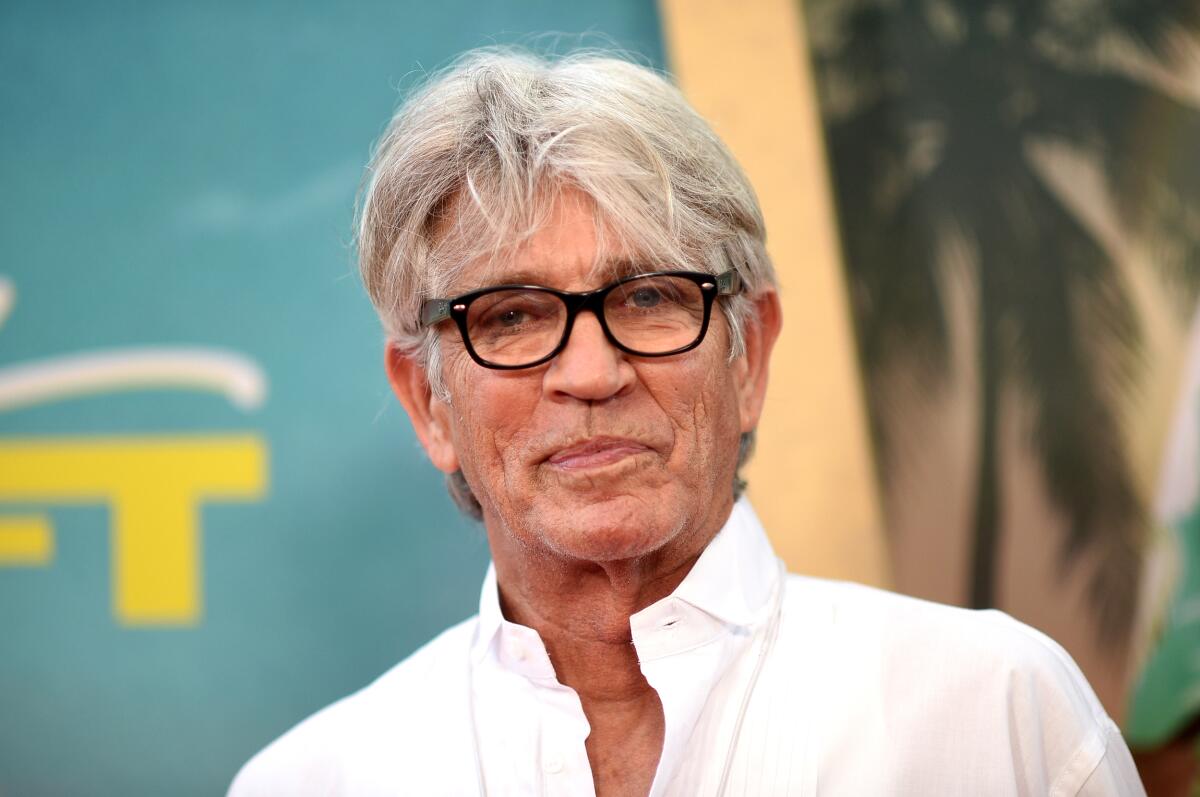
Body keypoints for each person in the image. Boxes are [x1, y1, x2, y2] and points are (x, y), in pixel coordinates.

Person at [229, 49, 1145, 796]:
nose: (590, 372)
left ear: (749, 354)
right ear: (428, 400)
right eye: (510, 315)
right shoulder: (312, 780)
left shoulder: (997, 716)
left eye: (652, 296)